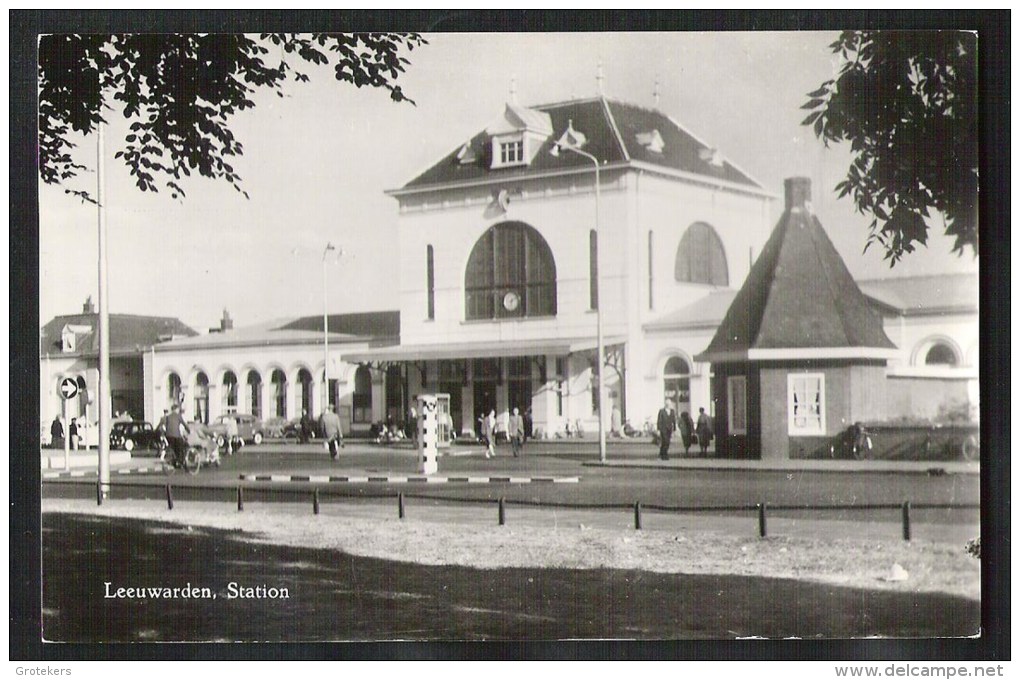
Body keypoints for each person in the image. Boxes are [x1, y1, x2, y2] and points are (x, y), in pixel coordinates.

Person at [164, 403, 189, 468]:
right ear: (176, 409)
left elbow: (166, 426)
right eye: (178, 409)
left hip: (168, 436)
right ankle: (180, 461)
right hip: (176, 435)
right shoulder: (178, 416)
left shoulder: (168, 417)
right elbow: (184, 424)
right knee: (181, 447)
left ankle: (174, 460)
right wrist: (189, 431)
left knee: (173, 448)